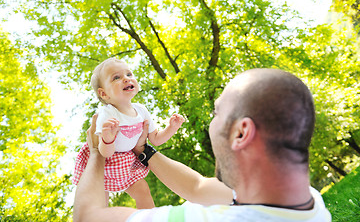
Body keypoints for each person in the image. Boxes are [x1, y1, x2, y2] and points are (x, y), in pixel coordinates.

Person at [73, 68, 332, 221]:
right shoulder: (310, 203)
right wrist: (144, 150)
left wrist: (96, 153)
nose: (211, 123)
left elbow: (87, 217)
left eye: (217, 114)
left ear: (242, 133)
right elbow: (196, 187)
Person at [72, 57, 185, 209]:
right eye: (116, 77)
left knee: (143, 189)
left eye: (129, 74)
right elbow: (104, 153)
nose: (126, 78)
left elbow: (156, 139)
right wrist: (108, 138)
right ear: (104, 94)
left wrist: (172, 127)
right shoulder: (107, 114)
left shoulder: (141, 110)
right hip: (104, 162)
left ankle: (149, 218)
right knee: (100, 198)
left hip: (126, 161)